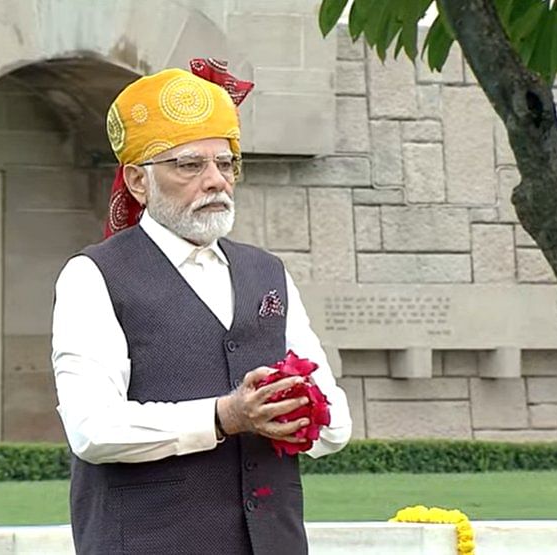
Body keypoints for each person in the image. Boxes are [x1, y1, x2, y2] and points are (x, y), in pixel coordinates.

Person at [51, 59, 352, 555]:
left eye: (225, 163)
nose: (215, 181)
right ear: (138, 181)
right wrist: (225, 415)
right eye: (189, 165)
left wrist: (302, 412)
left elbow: (335, 422)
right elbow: (92, 429)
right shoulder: (93, 276)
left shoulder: (268, 273)